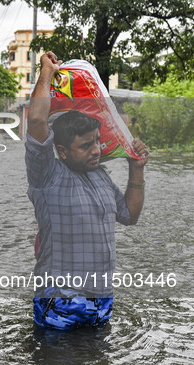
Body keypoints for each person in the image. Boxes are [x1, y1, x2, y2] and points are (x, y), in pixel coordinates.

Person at [26, 51, 149, 330]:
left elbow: (130, 215)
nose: (96, 150)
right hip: (59, 302)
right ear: (62, 151)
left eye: (96, 142)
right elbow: (36, 123)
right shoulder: (47, 176)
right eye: (85, 145)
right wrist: (46, 71)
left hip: (100, 303)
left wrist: (136, 168)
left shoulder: (101, 177)